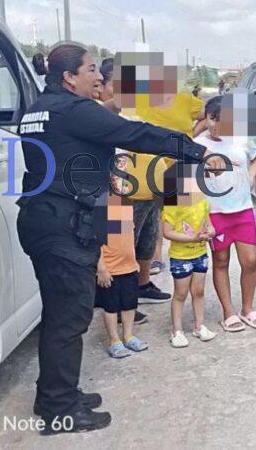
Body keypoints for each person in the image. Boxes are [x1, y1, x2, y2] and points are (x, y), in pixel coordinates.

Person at [18, 43, 217, 434]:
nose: (98, 76)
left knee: (59, 314)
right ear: (69, 77)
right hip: (62, 226)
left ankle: (55, 395)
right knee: (68, 318)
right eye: (91, 69)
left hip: (44, 220)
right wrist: (196, 151)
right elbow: (137, 133)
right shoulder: (74, 110)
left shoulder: (39, 110)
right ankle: (59, 409)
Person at [114, 53, 206, 303]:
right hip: (130, 187)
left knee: (148, 239)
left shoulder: (182, 99)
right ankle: (122, 298)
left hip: (159, 182)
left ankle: (143, 285)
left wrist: (191, 141)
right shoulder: (126, 104)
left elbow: (207, 114)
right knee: (125, 245)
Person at [194, 95, 256, 332]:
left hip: (242, 210)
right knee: (221, 261)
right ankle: (228, 312)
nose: (215, 125)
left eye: (221, 120)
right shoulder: (197, 144)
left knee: (250, 261)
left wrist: (251, 175)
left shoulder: (241, 138)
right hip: (215, 212)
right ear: (206, 117)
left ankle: (248, 308)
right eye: (211, 118)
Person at [94, 152, 148, 358]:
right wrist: (101, 267)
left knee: (129, 303)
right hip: (110, 268)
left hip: (129, 266)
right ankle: (114, 340)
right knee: (110, 306)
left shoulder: (125, 202)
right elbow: (96, 239)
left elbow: (128, 235)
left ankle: (129, 335)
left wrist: (134, 262)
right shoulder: (102, 203)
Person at [161, 167, 217, 347]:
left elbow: (208, 222)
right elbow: (167, 232)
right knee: (180, 293)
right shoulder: (172, 203)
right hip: (181, 256)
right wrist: (191, 238)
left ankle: (199, 325)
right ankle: (176, 330)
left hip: (200, 253)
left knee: (199, 291)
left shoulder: (202, 200)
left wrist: (211, 231)